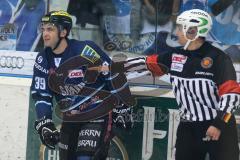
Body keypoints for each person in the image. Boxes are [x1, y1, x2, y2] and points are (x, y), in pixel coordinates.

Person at [99, 8, 240, 160]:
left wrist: (218, 124)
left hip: (219, 126)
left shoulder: (219, 59)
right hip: (189, 127)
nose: (177, 32)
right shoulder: (175, 56)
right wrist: (113, 67)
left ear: (192, 31)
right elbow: (146, 63)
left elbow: (232, 96)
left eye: (180, 28)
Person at [31, 10, 133, 160]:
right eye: (43, 28)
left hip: (97, 114)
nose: (45, 33)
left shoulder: (85, 51)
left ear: (63, 32)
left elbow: (113, 75)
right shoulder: (43, 59)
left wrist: (123, 105)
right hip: (70, 119)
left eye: (50, 29)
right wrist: (45, 122)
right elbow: (42, 95)